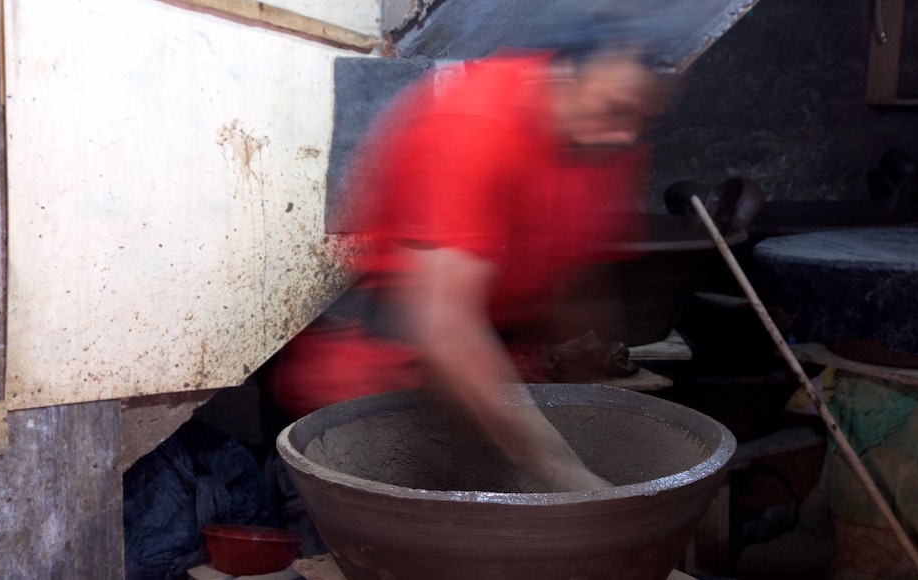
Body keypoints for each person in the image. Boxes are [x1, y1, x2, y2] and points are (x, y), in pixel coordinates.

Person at [270, 12, 677, 492]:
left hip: (498, 382)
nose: (625, 135)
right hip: (384, 396)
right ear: (564, 75)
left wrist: (593, 412)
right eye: (615, 110)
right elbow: (446, 332)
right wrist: (566, 473)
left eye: (639, 120)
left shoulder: (596, 139)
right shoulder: (469, 127)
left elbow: (583, 288)